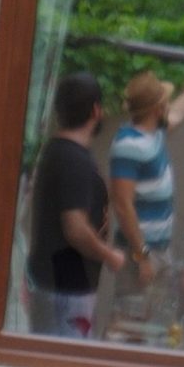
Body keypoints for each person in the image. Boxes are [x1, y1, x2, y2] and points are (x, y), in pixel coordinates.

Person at [24, 70, 126, 338]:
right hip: (65, 293)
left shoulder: (57, 151)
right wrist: (109, 255)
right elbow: (75, 228)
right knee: (61, 360)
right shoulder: (73, 161)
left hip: (56, 287)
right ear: (96, 111)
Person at [109, 63, 184, 281]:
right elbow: (122, 205)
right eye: (165, 101)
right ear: (157, 109)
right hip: (141, 253)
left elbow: (177, 113)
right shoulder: (129, 146)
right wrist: (142, 256)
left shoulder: (153, 132)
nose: (168, 104)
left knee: (157, 302)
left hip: (159, 249)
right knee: (134, 303)